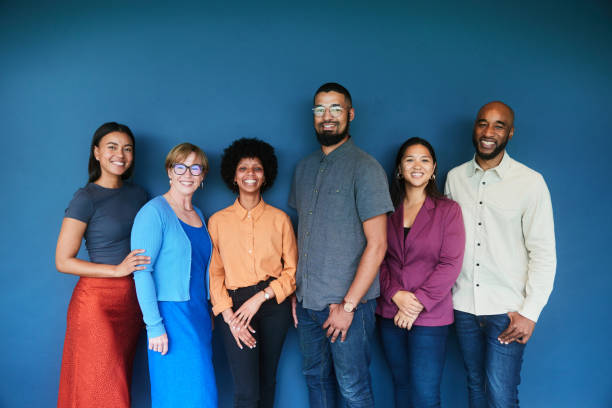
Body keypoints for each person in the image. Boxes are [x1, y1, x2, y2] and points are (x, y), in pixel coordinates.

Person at [445, 101, 556, 408]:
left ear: (510, 133)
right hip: (464, 307)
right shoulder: (454, 178)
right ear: (474, 128)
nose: (488, 132)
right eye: (483, 123)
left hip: (507, 312)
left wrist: (530, 312)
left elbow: (544, 253)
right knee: (475, 388)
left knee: (500, 395)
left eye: (498, 125)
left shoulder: (530, 183)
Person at [289, 82, 394, 408]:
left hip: (350, 307)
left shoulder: (366, 168)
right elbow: (304, 233)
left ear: (350, 114)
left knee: (353, 389)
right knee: (316, 382)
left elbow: (378, 245)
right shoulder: (304, 168)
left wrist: (348, 306)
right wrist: (298, 290)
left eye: (335, 108)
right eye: (320, 109)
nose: (327, 116)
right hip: (308, 305)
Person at [55, 122, 149, 408]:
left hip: (132, 303)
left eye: (127, 148)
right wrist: (116, 270)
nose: (120, 154)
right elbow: (62, 261)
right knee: (103, 390)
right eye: (111, 147)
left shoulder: (140, 195)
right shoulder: (85, 198)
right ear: (96, 153)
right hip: (96, 304)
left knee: (116, 383)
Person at [209, 138, 298, 408]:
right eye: (243, 168)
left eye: (257, 168)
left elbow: (292, 271)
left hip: (273, 305)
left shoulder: (280, 219)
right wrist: (228, 316)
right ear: (233, 176)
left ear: (265, 174)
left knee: (267, 381)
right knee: (246, 391)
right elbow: (214, 275)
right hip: (234, 308)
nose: (250, 174)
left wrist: (260, 297)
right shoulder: (218, 221)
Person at [377, 137, 465, 408]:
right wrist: (395, 295)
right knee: (402, 388)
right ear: (399, 169)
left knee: (425, 396)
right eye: (410, 159)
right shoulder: (385, 210)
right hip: (390, 314)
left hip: (430, 316)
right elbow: (375, 257)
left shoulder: (448, 210)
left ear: (434, 168)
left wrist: (415, 304)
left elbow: (450, 264)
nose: (417, 165)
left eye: (424, 159)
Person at [131, 143, 217, 408]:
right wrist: (154, 326)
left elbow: (202, 268)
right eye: (180, 166)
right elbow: (141, 272)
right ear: (169, 171)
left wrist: (210, 311)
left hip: (199, 315)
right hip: (170, 317)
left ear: (202, 176)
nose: (187, 173)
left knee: (202, 396)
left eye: (195, 167)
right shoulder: (153, 212)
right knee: (178, 396)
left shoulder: (199, 215)